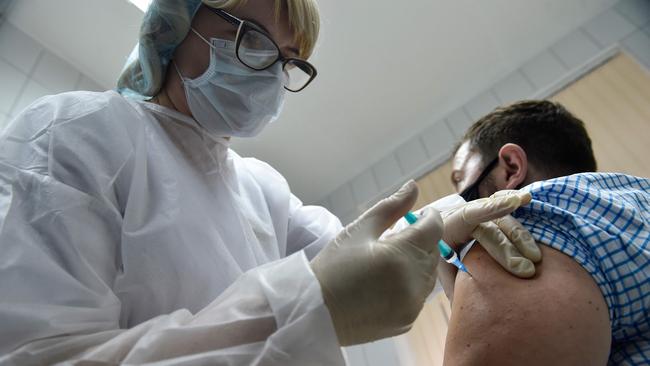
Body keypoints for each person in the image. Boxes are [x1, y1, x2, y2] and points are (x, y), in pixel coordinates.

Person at [0, 1, 540, 364]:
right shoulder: (76, 133)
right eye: (250, 38)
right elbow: (37, 354)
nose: (268, 75)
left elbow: (360, 246)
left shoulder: (261, 188)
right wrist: (302, 307)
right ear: (175, 19)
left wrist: (448, 220)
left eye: (287, 62)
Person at [441, 100, 650, 365]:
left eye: (459, 179)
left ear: (511, 168)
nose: (455, 197)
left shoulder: (514, 222)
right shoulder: (634, 199)